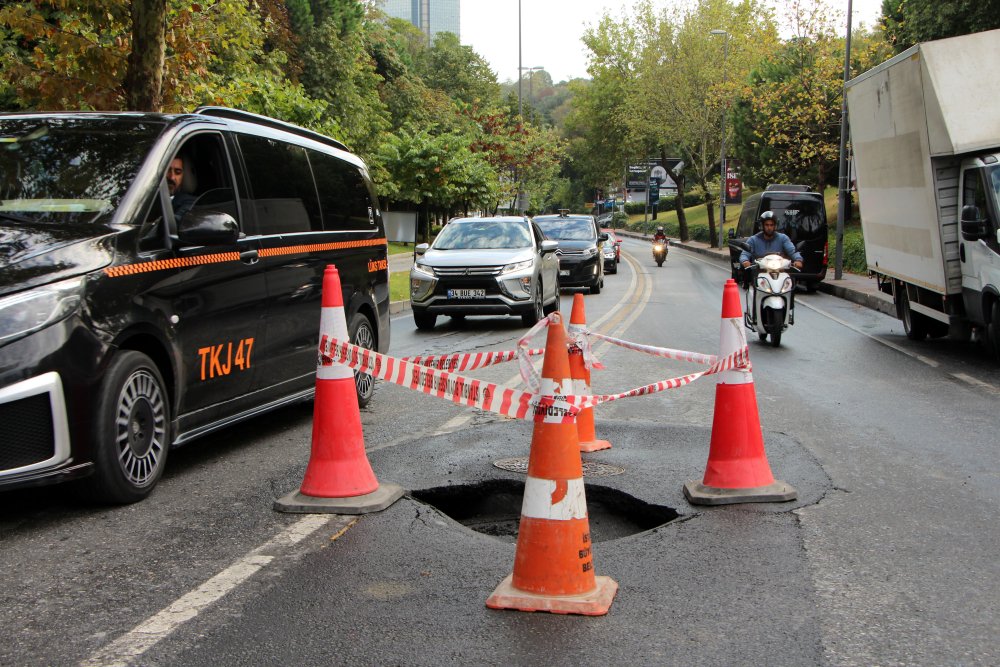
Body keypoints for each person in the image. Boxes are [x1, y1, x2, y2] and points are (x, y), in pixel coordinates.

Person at [165, 155, 196, 222]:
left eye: (178, 172)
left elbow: (173, 224)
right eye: (167, 170)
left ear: (184, 176)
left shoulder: (190, 203)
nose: (172, 177)